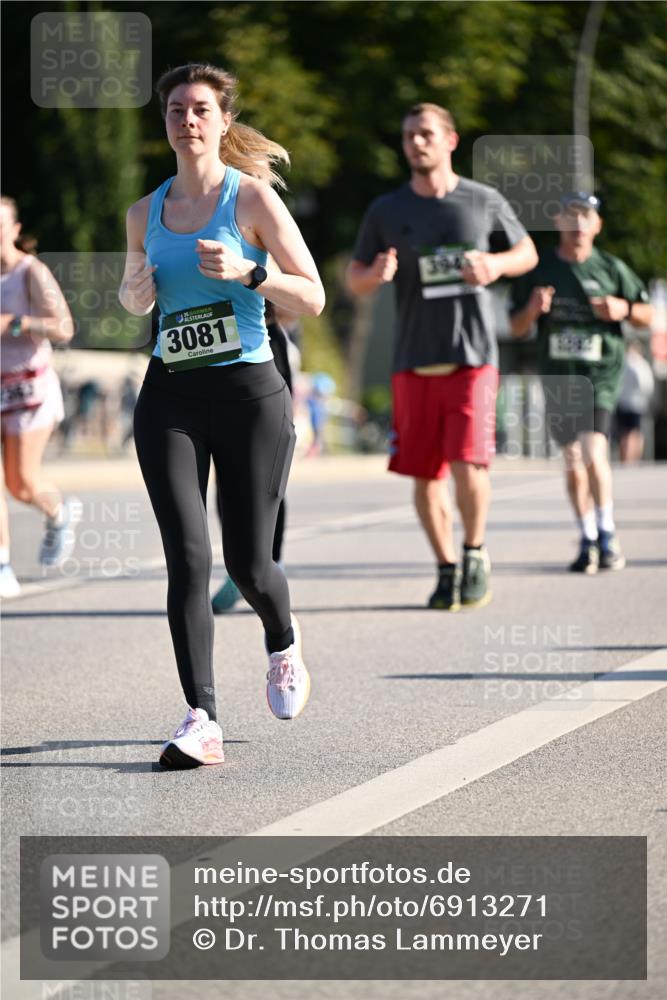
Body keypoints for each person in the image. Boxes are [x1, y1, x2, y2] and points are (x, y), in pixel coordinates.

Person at [119, 63, 324, 769]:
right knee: (187, 557)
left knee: (249, 563)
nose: (188, 120)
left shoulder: (252, 199)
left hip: (249, 396)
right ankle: (201, 718)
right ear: (165, 122)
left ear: (223, 121)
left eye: (201, 109)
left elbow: (313, 296)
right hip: (170, 397)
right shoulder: (143, 213)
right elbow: (136, 299)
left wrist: (250, 273)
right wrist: (133, 292)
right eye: (176, 109)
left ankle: (283, 641)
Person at [346, 103, 537, 610]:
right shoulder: (387, 210)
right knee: (424, 474)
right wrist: (374, 275)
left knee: (467, 462)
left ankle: (474, 553)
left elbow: (527, 253)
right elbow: (354, 278)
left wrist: (494, 264)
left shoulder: (482, 200)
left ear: (450, 140)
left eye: (426, 134)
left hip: (472, 355)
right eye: (409, 135)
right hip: (413, 358)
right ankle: (446, 567)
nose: (416, 143)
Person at [510, 192, 653, 572]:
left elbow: (647, 314)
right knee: (572, 459)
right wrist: (532, 310)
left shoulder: (611, 267)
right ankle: (587, 535)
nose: (577, 224)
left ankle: (607, 533)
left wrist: (623, 308)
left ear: (597, 225)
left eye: (585, 216)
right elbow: (516, 326)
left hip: (599, 374)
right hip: (559, 376)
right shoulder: (540, 270)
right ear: (557, 221)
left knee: (593, 452)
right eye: (570, 216)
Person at [0, 195, 79, 598]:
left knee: (21, 484)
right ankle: (2, 565)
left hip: (29, 389)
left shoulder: (31, 271)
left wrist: (13, 324)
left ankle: (58, 511)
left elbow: (63, 327)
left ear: (14, 230)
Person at [211, 301, 296, 613]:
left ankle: (272, 565)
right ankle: (238, 570)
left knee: (267, 483)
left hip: (261, 344)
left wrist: (254, 282)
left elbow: (297, 305)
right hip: (212, 346)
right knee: (225, 480)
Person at [615, 340, 655, 463]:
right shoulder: (640, 365)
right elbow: (646, 385)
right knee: (634, 433)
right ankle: (632, 459)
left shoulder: (622, 363)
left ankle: (626, 458)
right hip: (636, 404)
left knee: (624, 433)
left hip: (622, 402)